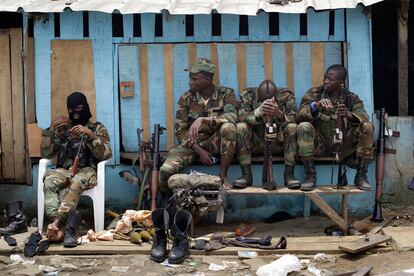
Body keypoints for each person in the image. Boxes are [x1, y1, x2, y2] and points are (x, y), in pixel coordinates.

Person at [40, 92, 112, 247]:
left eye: (78, 108)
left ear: (85, 106)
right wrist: (52, 129)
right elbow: (46, 152)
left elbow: (106, 155)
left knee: (77, 182)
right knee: (49, 181)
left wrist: (91, 136)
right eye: (70, 109)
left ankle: (59, 224)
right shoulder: (64, 127)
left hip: (87, 171)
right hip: (64, 170)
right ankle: (61, 225)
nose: (74, 113)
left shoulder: (97, 127)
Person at [158, 58, 238, 194]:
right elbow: (180, 131)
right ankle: (168, 202)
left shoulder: (226, 94)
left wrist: (205, 120)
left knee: (229, 128)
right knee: (165, 170)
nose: (190, 82)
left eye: (194, 79)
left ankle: (223, 175)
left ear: (207, 80)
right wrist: (198, 150)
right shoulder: (186, 98)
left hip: (215, 142)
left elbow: (233, 116)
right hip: (191, 145)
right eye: (190, 78)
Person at [296, 64, 374, 191]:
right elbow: (298, 116)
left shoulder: (351, 98)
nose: (325, 81)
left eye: (330, 79)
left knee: (368, 127)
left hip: (344, 145)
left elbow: (363, 116)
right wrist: (315, 106)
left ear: (341, 82)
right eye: (325, 77)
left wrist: (349, 115)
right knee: (304, 126)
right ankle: (310, 176)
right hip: (319, 143)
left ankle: (361, 176)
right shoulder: (315, 94)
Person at [234, 80, 300, 190]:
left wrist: (279, 114)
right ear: (258, 95)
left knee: (292, 128)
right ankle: (246, 175)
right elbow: (240, 117)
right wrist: (258, 112)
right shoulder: (248, 96)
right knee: (241, 127)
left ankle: (289, 175)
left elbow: (295, 119)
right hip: (256, 142)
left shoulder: (286, 96)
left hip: (279, 142)